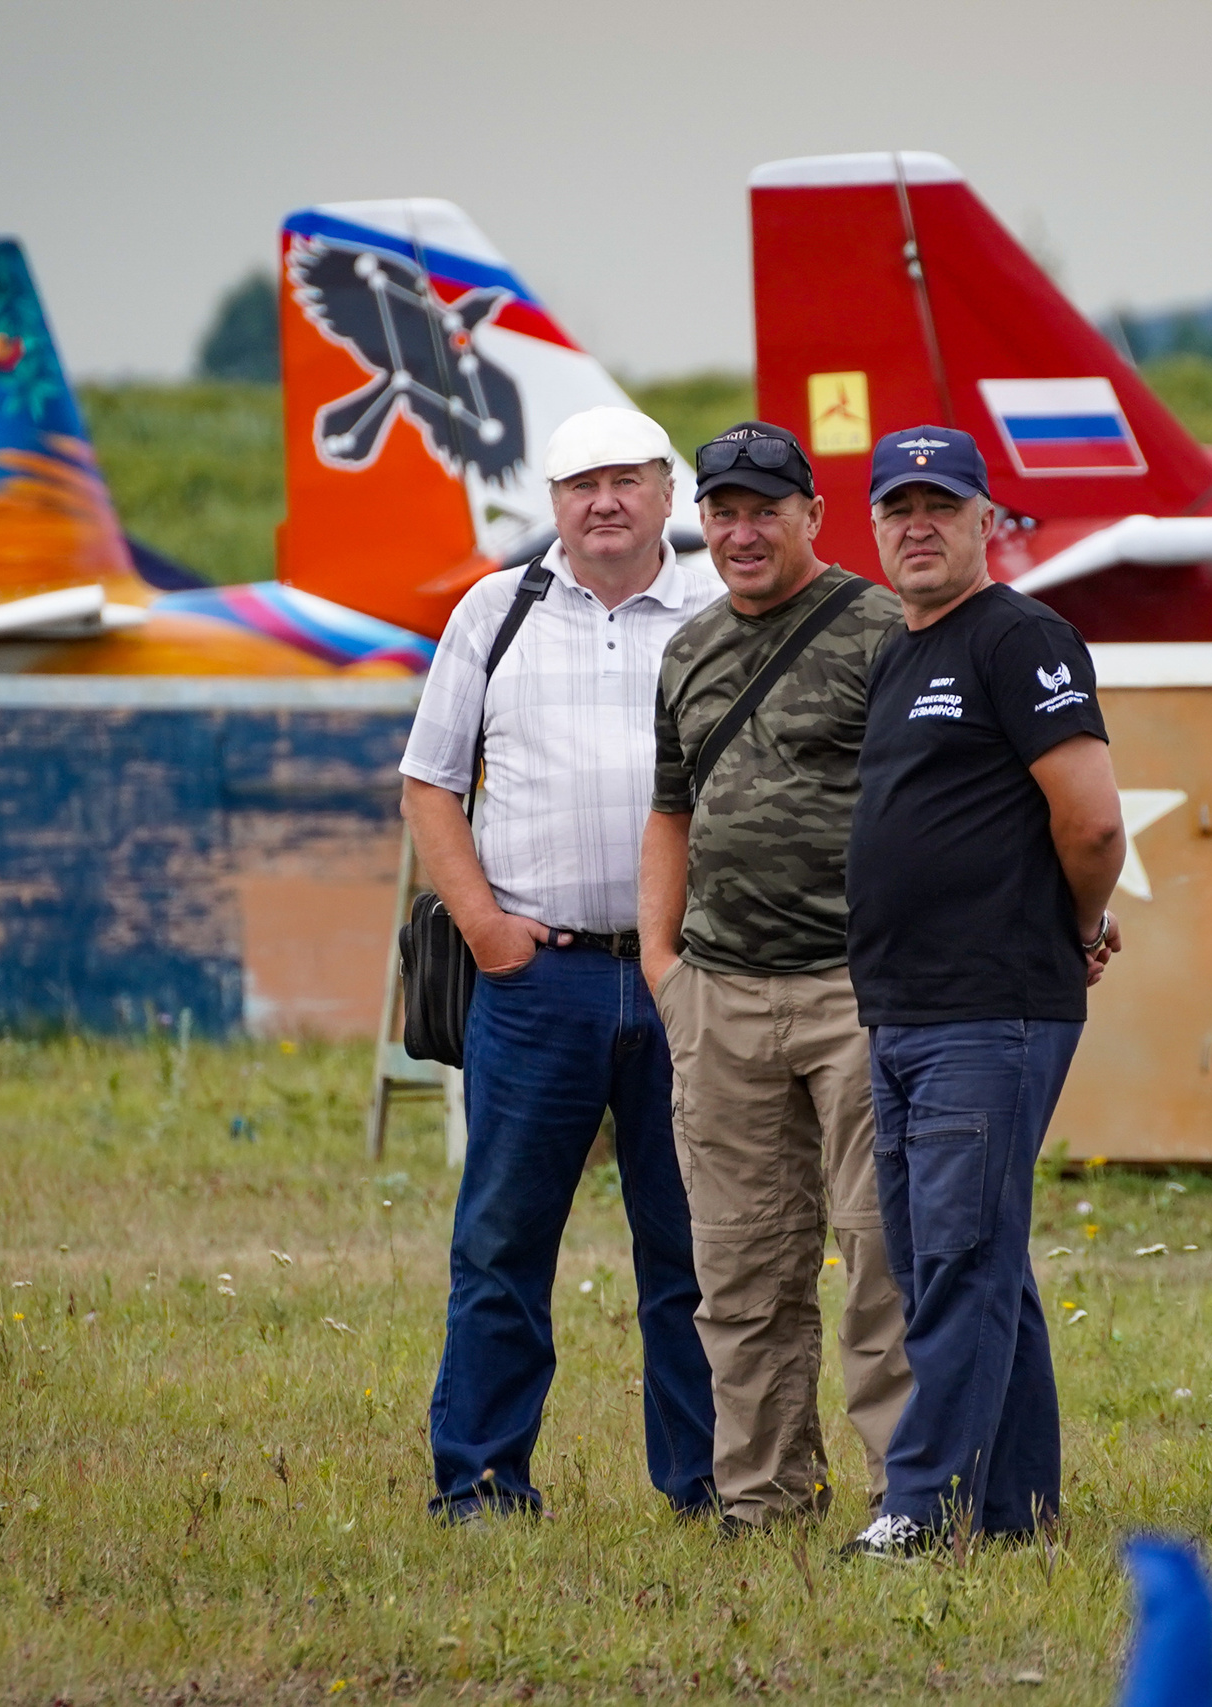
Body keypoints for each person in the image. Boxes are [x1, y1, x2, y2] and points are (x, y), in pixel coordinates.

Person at [398, 406, 720, 1523]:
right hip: (541, 983)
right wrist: (486, 928)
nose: (605, 502)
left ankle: (709, 1486)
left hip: (688, 980)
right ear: (553, 503)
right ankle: (481, 1484)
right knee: (502, 1241)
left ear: (666, 494)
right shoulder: (498, 609)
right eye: (581, 483)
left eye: (627, 480)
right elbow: (430, 785)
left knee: (694, 1250)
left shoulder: (721, 610)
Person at [836, 425, 1126, 1557]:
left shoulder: (1021, 636)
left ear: (983, 520)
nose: (917, 525)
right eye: (897, 506)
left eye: (940, 505)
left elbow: (1092, 816)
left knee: (957, 1258)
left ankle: (920, 1507)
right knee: (962, 1265)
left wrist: (1075, 923)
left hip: (988, 1006)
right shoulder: (900, 651)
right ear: (872, 523)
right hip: (901, 1008)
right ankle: (1013, 1510)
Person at [639, 421, 913, 1535]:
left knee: (882, 1259)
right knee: (742, 1270)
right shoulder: (688, 649)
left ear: (813, 515)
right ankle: (764, 1500)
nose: (742, 532)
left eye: (765, 509)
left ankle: (911, 1499)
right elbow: (669, 813)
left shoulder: (883, 632)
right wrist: (664, 967)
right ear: (701, 522)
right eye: (722, 512)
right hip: (721, 996)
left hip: (860, 992)